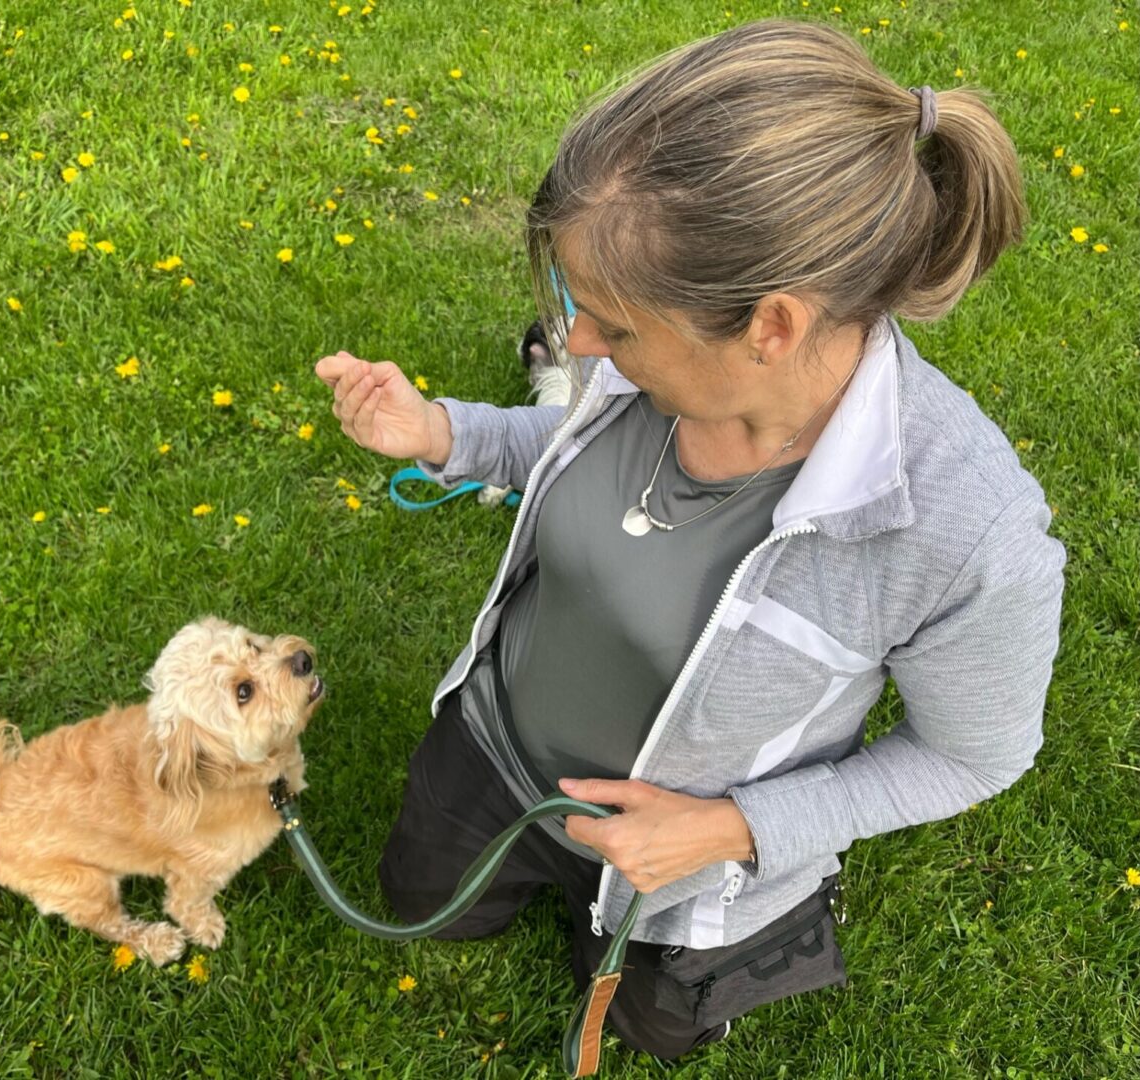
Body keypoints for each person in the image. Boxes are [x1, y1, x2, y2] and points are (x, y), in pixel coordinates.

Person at [314, 17, 1065, 1063]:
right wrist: (447, 434)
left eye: (613, 327)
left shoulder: (965, 531)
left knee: (650, 1023)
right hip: (488, 751)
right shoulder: (651, 367)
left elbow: (972, 755)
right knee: (427, 901)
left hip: (685, 866)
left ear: (771, 325)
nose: (576, 347)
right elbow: (568, 447)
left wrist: (729, 832)